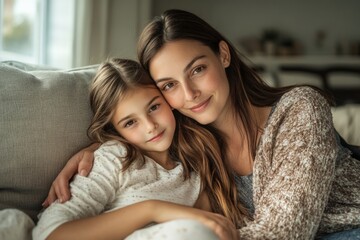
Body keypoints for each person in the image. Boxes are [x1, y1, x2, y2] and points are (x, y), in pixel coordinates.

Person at [45, 9, 360, 239]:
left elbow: (285, 232)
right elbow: (142, 124)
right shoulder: (189, 140)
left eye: (196, 70)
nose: (189, 94)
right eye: (169, 85)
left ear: (223, 55)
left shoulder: (300, 108)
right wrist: (101, 147)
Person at [33, 58, 240, 240]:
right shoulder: (114, 159)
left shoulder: (196, 164)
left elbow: (206, 226)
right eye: (130, 122)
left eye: (153, 107)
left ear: (168, 100)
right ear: (114, 129)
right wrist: (151, 210)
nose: (151, 126)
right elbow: (50, 233)